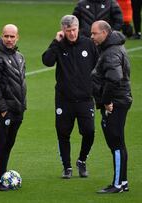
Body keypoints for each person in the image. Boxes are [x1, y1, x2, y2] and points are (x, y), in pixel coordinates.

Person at [42, 15, 98, 179]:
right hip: (64, 100)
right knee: (63, 133)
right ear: (63, 30)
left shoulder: (88, 44)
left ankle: (82, 160)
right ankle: (67, 167)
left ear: (78, 28)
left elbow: (99, 65)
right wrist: (55, 42)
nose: (72, 34)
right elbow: (47, 61)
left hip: (85, 99)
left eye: (73, 30)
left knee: (89, 132)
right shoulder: (59, 45)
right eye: (68, 31)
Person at [90, 20, 133, 193]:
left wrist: (106, 102)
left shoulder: (111, 53)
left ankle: (117, 185)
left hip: (115, 103)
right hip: (119, 100)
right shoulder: (112, 48)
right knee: (119, 143)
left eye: (94, 33)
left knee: (115, 143)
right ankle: (122, 182)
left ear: (105, 33)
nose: (91, 36)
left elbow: (114, 78)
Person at [0, 24, 27, 191]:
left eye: (12, 36)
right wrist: (2, 108)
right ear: (1, 36)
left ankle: (2, 175)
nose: (9, 39)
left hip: (17, 110)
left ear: (17, 37)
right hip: (4, 111)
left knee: (9, 143)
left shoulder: (20, 56)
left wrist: (22, 106)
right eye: (6, 36)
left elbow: (20, 84)